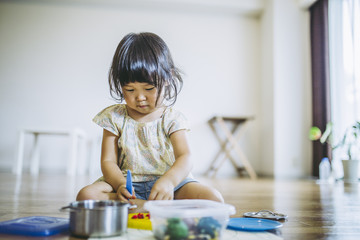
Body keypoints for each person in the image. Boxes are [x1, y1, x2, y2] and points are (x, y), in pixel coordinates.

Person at [76, 32, 224, 204]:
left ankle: (141, 207)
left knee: (213, 198)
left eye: (149, 88)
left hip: (170, 186)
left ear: (168, 78)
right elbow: (108, 161)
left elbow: (185, 157)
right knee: (85, 196)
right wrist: (121, 185)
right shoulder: (113, 117)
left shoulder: (172, 118)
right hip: (127, 184)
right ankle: (151, 207)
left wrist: (169, 182)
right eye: (130, 90)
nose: (140, 97)